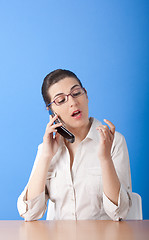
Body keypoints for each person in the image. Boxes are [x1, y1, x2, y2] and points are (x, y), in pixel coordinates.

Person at [17, 69, 132, 221]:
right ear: (51, 110)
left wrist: (105, 159)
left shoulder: (114, 141)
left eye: (76, 93)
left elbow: (120, 212)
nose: (73, 102)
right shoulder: (46, 149)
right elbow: (29, 213)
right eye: (61, 100)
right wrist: (45, 156)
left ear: (86, 95)